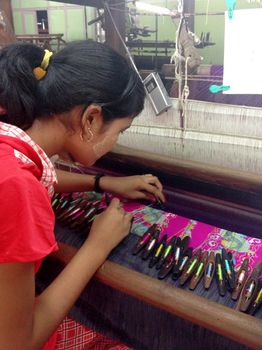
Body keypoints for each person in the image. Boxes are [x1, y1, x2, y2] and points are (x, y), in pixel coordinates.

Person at [0, 40, 165, 350]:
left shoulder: (9, 145)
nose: (116, 141)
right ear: (91, 119)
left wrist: (103, 183)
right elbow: (15, 344)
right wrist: (96, 246)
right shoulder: (17, 188)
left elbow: (32, 173)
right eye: (121, 130)